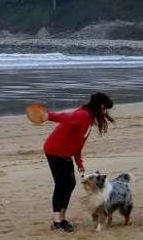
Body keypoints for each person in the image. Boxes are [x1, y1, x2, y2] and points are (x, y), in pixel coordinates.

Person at [42, 92, 115, 233]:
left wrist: (79, 163)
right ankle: (57, 222)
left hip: (66, 152)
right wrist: (48, 116)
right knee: (61, 184)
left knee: (70, 183)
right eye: (106, 108)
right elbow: (65, 117)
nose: (106, 112)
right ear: (101, 106)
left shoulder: (89, 118)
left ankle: (62, 219)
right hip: (55, 150)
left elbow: (78, 142)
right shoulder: (83, 115)